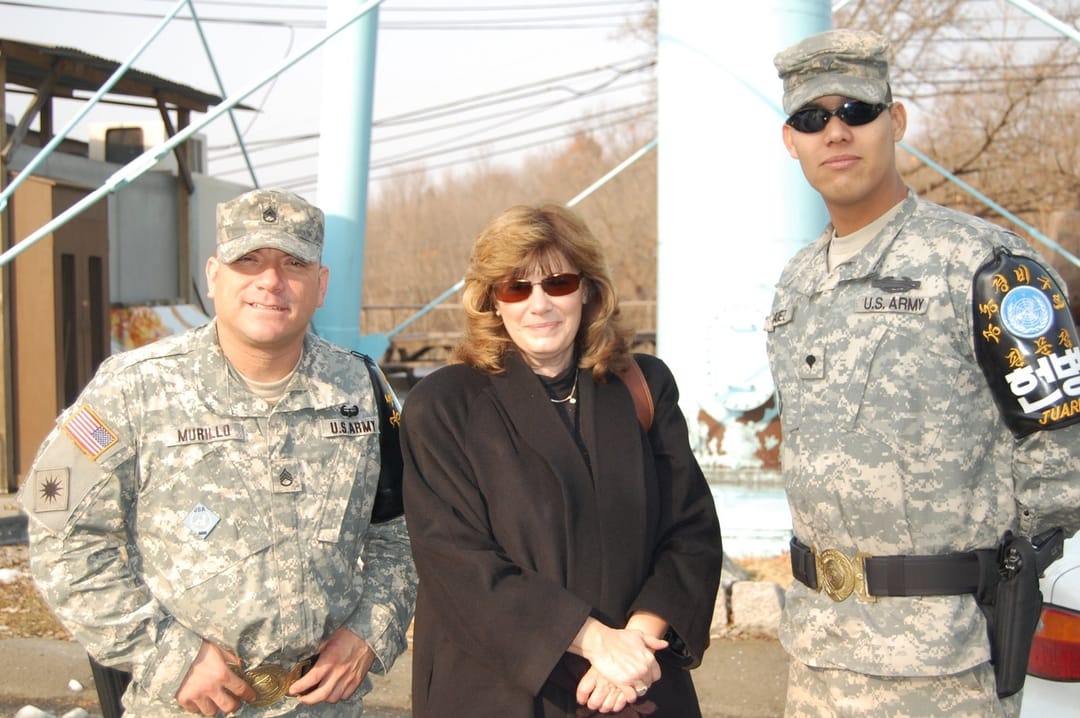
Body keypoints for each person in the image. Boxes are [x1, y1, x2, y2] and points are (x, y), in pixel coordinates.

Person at [766, 28, 1080, 717]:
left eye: (858, 110)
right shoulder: (796, 286)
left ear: (896, 121)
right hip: (816, 656)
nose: (836, 131)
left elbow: (1062, 467)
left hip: (944, 666)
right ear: (791, 141)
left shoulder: (987, 268)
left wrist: (998, 573)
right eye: (812, 118)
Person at [19, 187, 418, 716]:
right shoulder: (133, 389)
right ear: (213, 276)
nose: (270, 281)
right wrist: (168, 654)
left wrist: (370, 632)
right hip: (187, 705)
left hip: (325, 705)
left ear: (320, 285)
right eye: (247, 260)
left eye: (292, 263)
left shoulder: (361, 389)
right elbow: (59, 537)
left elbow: (404, 534)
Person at [399, 204, 723, 717]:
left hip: (639, 683)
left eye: (558, 283)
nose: (539, 303)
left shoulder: (642, 386)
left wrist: (636, 643)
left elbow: (691, 530)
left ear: (588, 290)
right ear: (491, 301)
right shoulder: (444, 407)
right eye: (516, 288)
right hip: (501, 692)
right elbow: (456, 563)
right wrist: (595, 641)